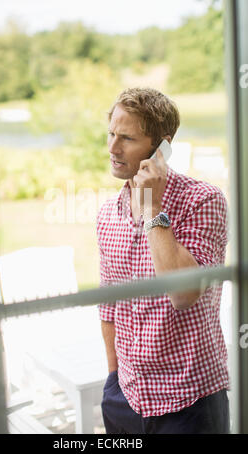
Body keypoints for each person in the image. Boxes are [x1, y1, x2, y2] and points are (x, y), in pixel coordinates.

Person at [96, 87, 230, 434]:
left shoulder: (202, 201)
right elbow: (109, 306)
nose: (112, 148)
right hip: (124, 399)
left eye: (126, 138)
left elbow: (184, 294)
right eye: (111, 133)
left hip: (188, 403)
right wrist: (114, 379)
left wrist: (153, 209)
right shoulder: (108, 214)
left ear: (161, 147)